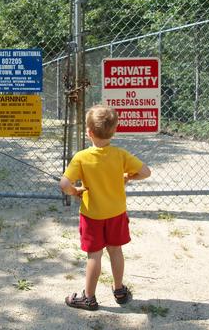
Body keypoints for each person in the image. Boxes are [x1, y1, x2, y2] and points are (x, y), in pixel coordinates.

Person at [60, 104, 151, 311]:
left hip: (92, 215)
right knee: (116, 251)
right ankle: (119, 290)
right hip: (116, 213)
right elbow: (146, 172)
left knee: (94, 256)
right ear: (114, 131)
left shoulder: (81, 157)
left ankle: (89, 298)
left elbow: (64, 185)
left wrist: (76, 192)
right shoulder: (120, 155)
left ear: (89, 132)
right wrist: (128, 176)